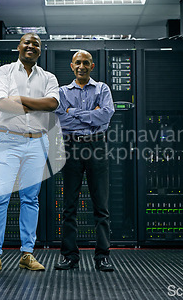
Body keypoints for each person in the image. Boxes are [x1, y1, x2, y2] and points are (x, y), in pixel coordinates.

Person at [0, 33, 60, 273]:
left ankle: (27, 254)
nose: (31, 46)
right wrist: (36, 103)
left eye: (36, 44)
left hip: (37, 142)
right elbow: (0, 103)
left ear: (40, 50)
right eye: (27, 43)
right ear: (19, 47)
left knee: (30, 198)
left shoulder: (49, 77)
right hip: (8, 140)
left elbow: (53, 104)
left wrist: (20, 100)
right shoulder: (5, 71)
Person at [54, 50, 115, 272]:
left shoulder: (103, 89)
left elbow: (106, 115)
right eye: (78, 62)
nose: (82, 66)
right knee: (69, 205)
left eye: (86, 63)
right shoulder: (61, 91)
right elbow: (61, 119)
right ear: (72, 66)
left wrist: (74, 112)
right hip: (70, 146)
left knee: (101, 205)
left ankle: (103, 256)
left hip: (96, 145)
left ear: (92, 66)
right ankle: (69, 256)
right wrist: (90, 115)